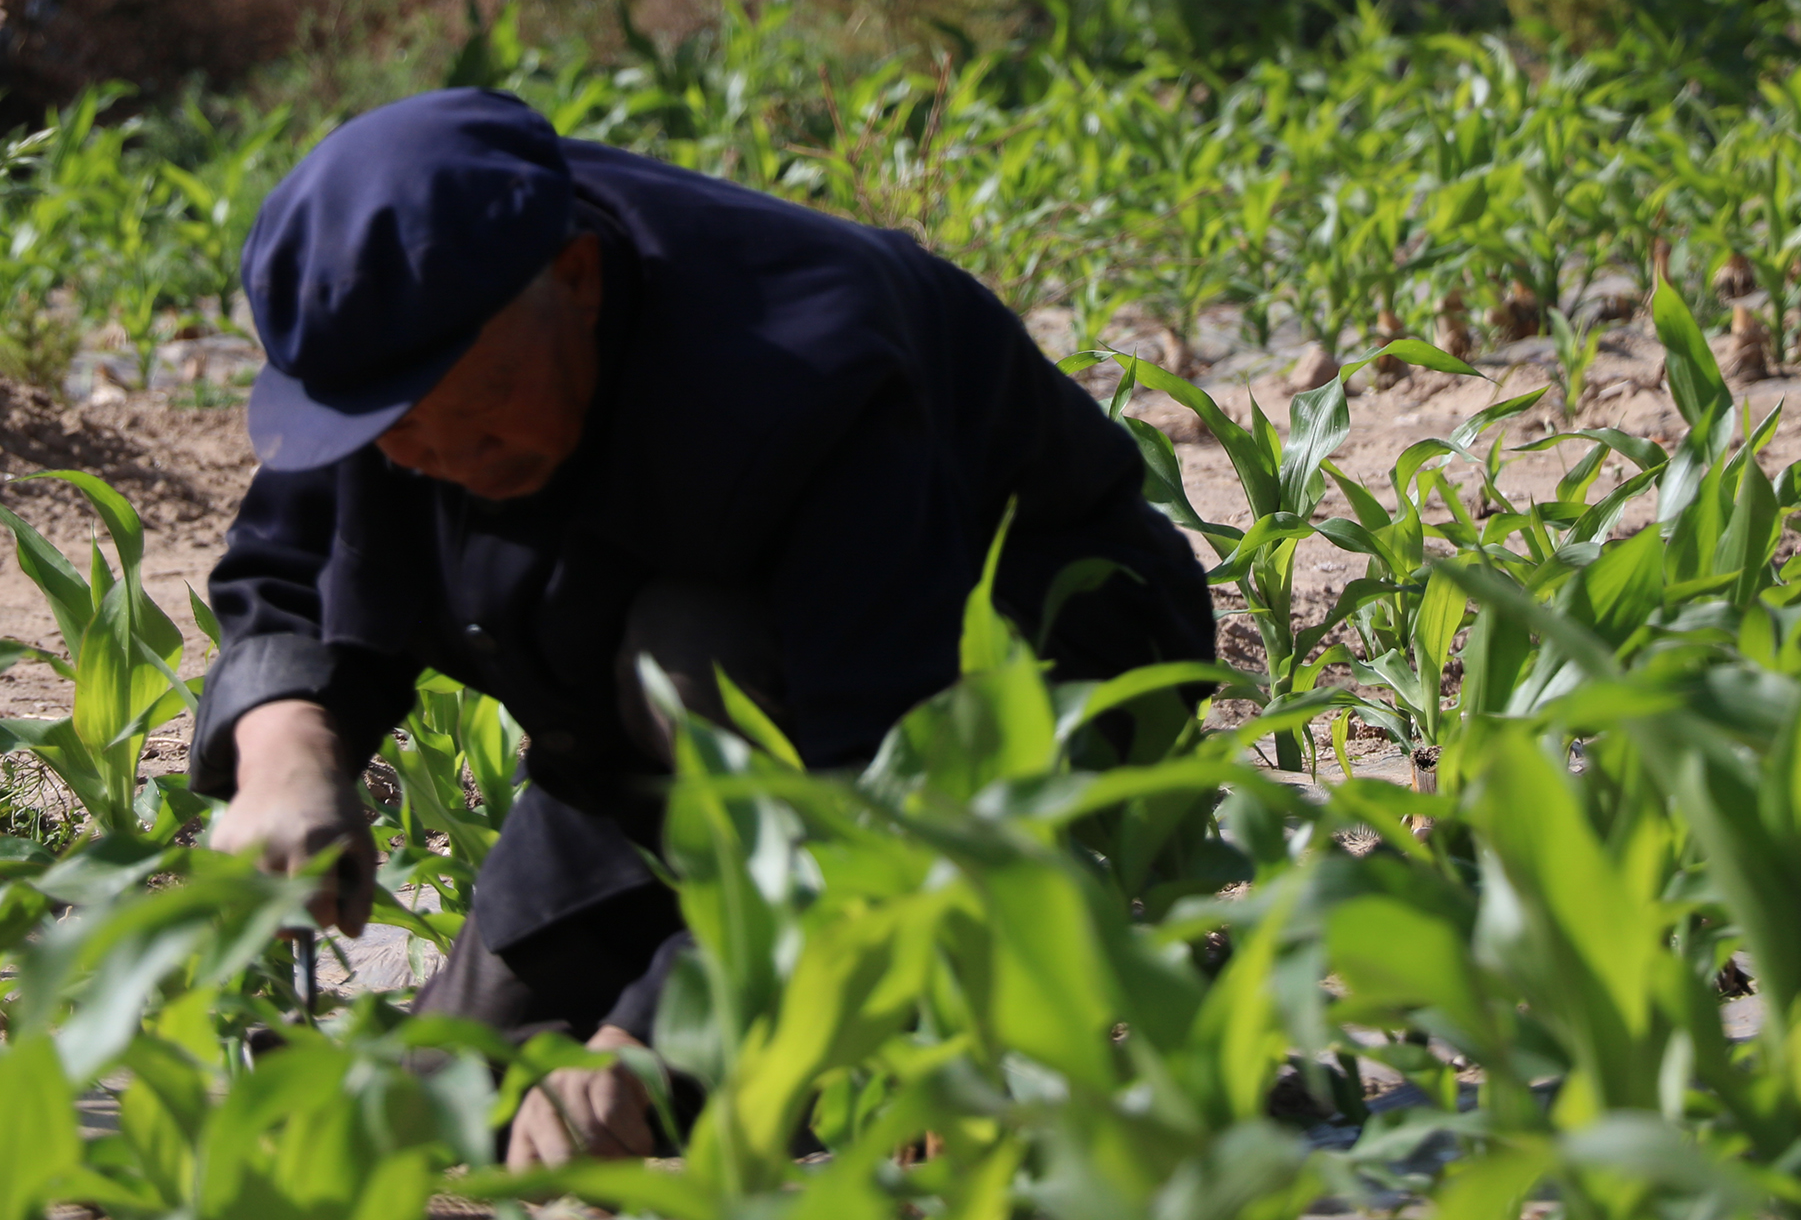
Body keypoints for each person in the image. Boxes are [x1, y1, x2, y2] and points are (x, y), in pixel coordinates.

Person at [191, 87, 1214, 1167]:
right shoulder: (394, 351)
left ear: (575, 282)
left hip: (1015, 674)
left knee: (690, 658)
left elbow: (880, 772)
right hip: (661, 751)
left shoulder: (801, 375)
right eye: (389, 434)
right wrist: (286, 756)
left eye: (470, 407)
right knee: (455, 1096)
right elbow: (291, 565)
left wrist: (648, 1035)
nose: (431, 456)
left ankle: (969, 1012)